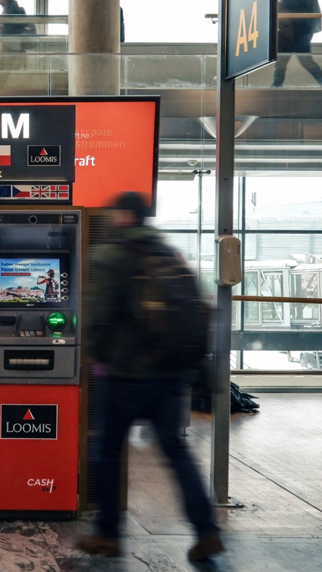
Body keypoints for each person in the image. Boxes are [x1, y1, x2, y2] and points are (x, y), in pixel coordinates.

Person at [77, 193, 224, 562]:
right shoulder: (167, 254)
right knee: (175, 452)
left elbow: (99, 317)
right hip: (171, 374)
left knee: (107, 451)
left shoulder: (113, 256)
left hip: (126, 375)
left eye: (115, 213)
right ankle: (206, 530)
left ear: (125, 216)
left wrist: (97, 357)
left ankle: (108, 534)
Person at [272, 0, 322, 87]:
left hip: (296, 33)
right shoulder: (294, 0)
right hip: (289, 33)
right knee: (283, 62)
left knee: (302, 61)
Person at [0, 0, 33, 73]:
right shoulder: (12, 11)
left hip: (10, 47)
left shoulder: (11, 11)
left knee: (4, 72)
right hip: (16, 47)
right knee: (9, 73)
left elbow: (0, 31)